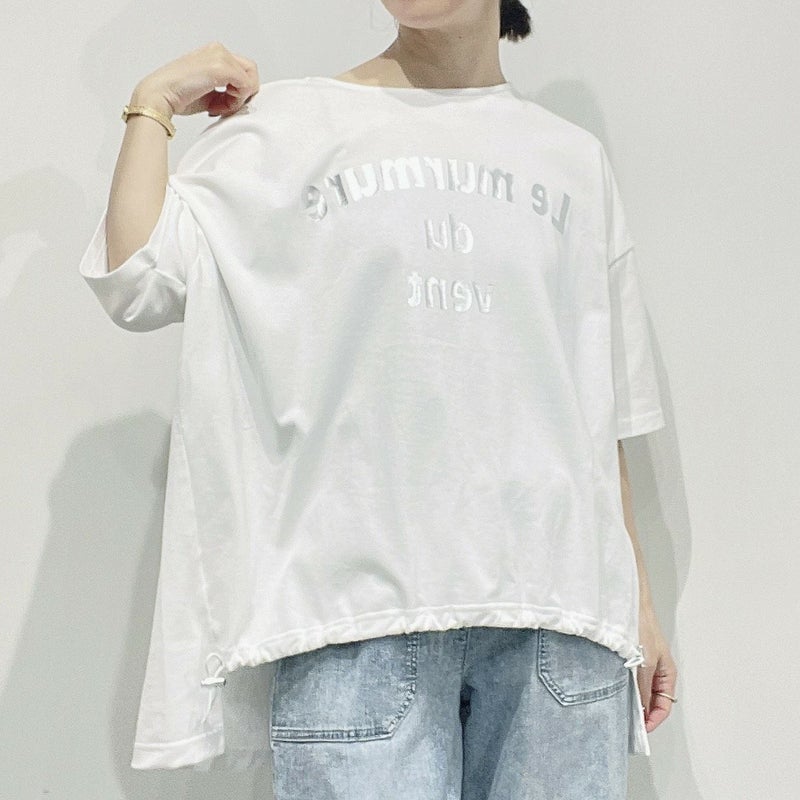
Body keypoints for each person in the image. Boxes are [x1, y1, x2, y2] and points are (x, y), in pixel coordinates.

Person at [79, 0, 678, 796]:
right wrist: (151, 105)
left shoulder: (572, 159)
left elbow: (601, 404)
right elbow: (136, 282)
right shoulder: (288, 127)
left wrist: (637, 601)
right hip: (356, 617)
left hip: (561, 621)